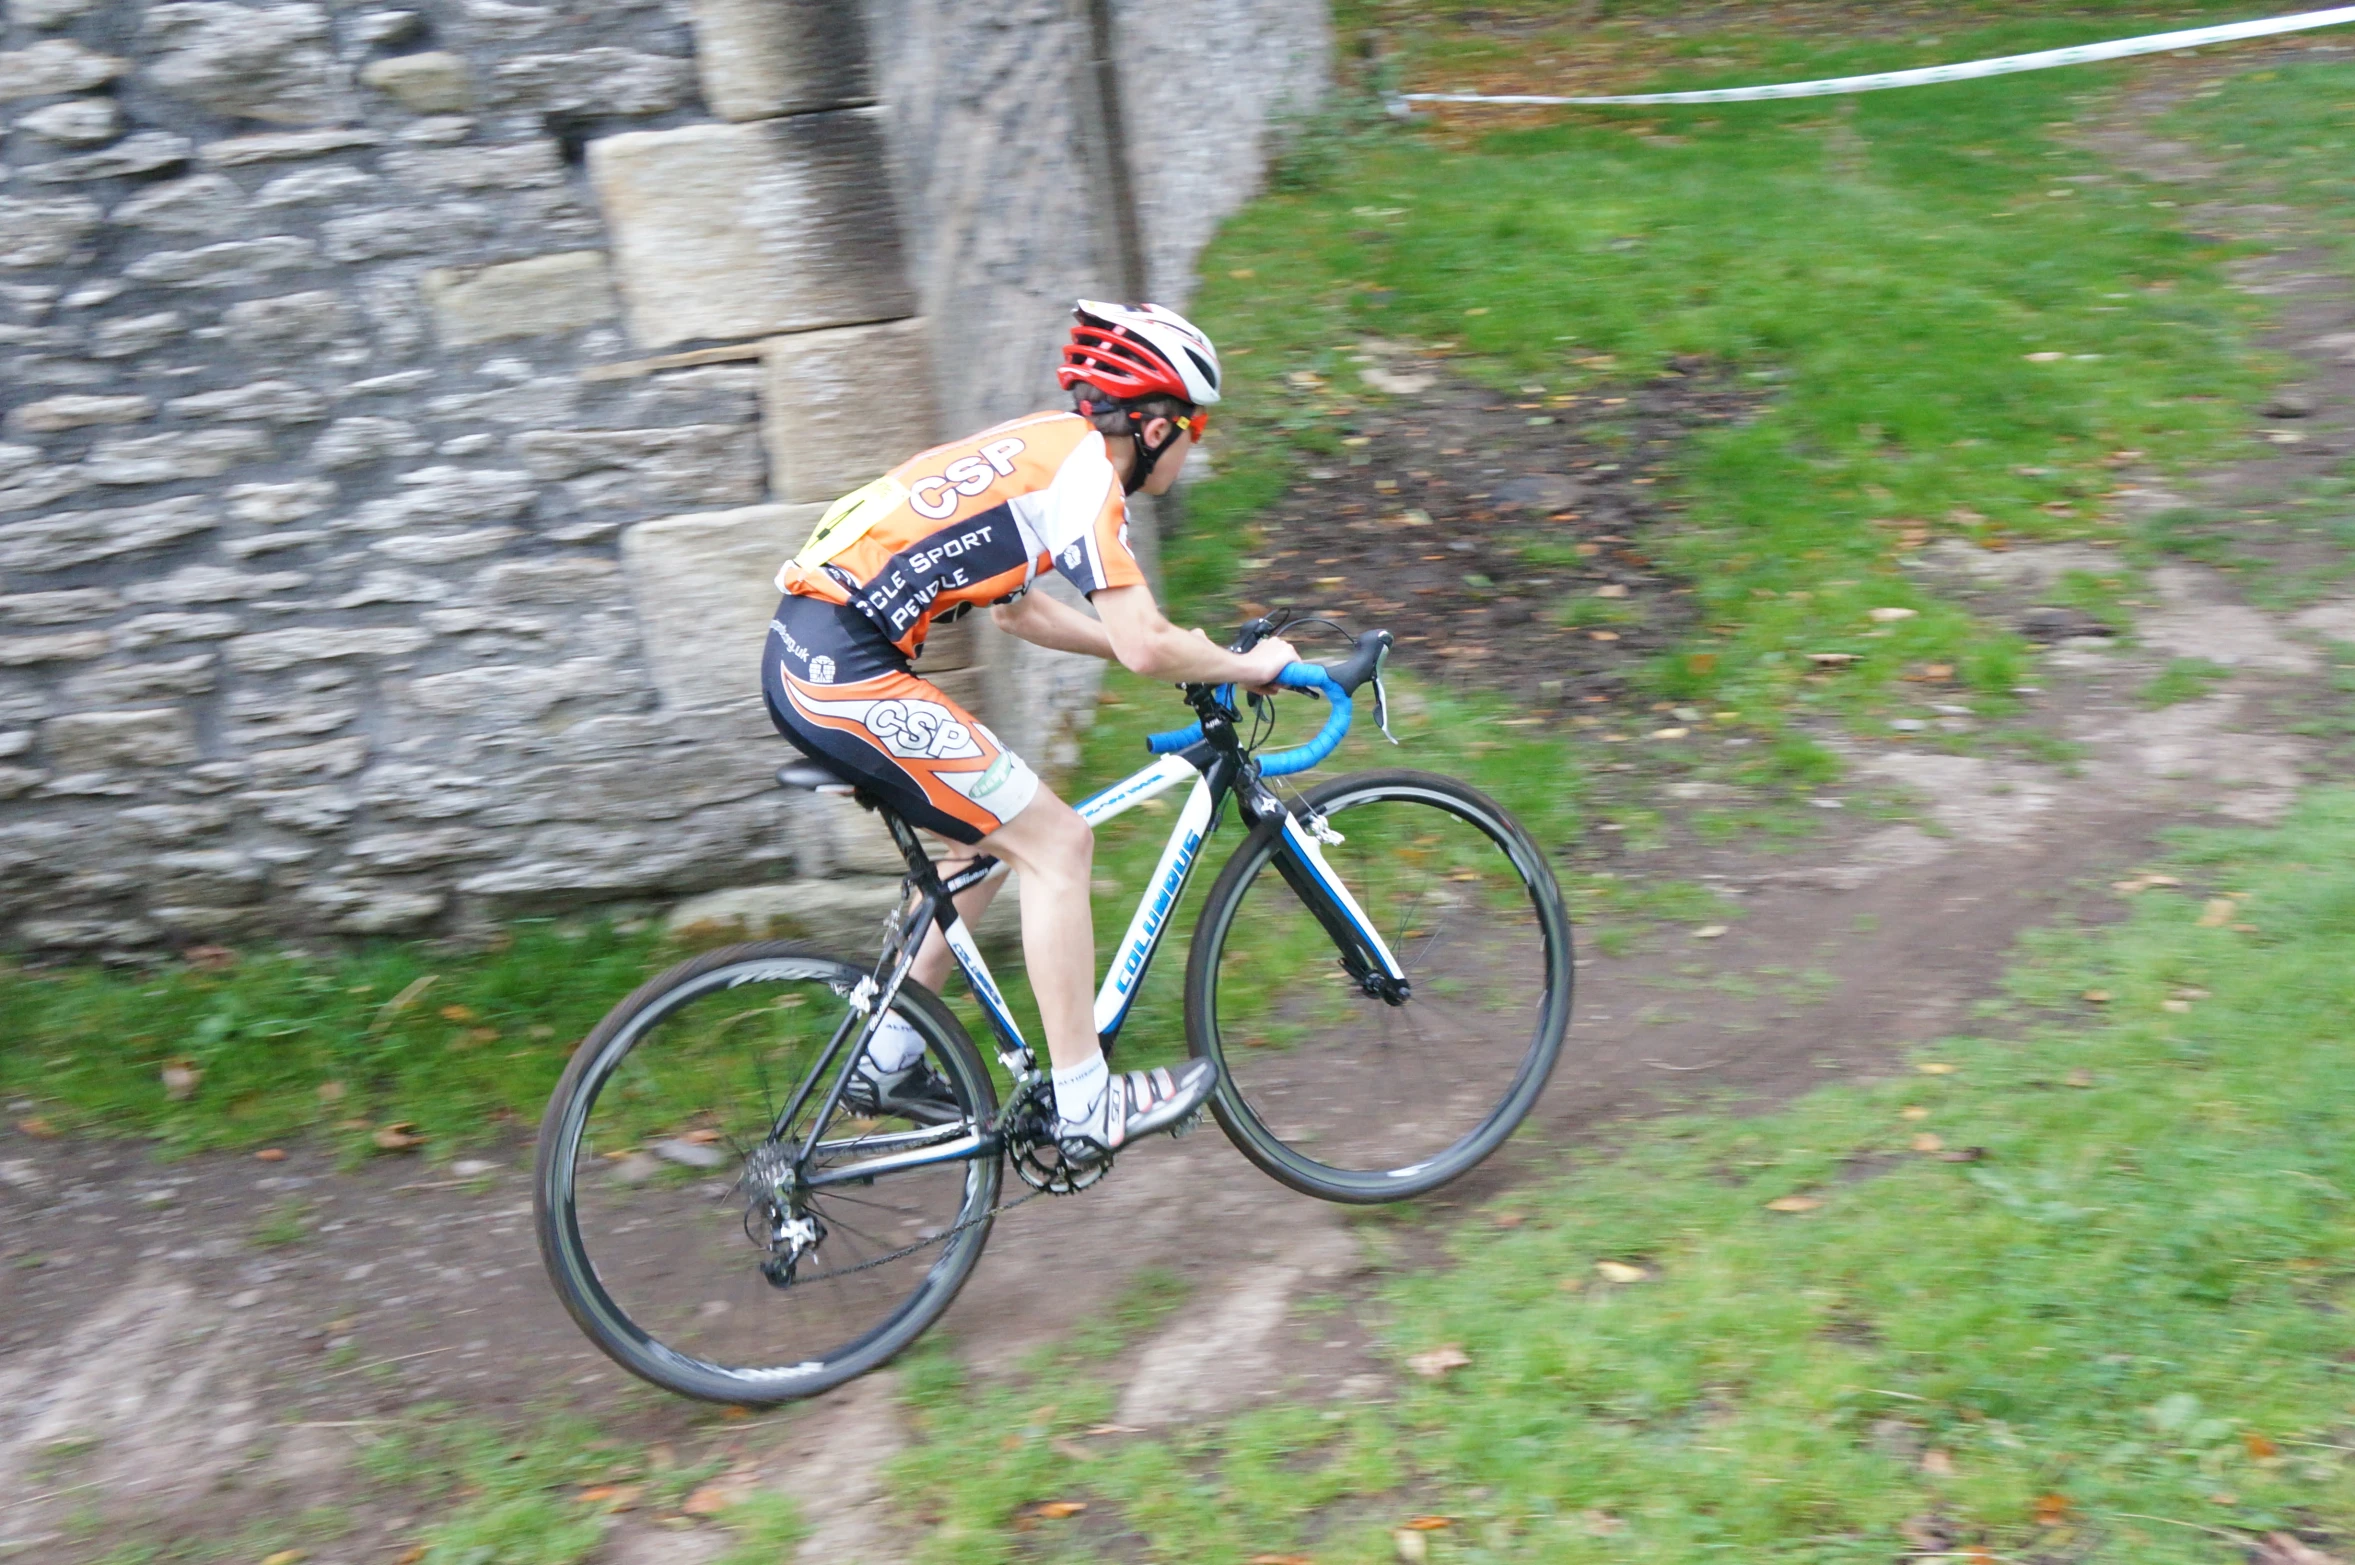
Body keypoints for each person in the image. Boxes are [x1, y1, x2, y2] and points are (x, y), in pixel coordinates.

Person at [762, 300, 1301, 1162]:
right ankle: (1088, 1104)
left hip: (814, 655)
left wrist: (1179, 654)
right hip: (844, 674)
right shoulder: (1086, 475)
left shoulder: (1047, 447)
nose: (1197, 444)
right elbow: (1143, 642)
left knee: (977, 846)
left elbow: (1020, 614)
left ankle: (888, 1057)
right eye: (1196, 427)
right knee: (1059, 842)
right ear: (1157, 426)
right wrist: (1248, 664)